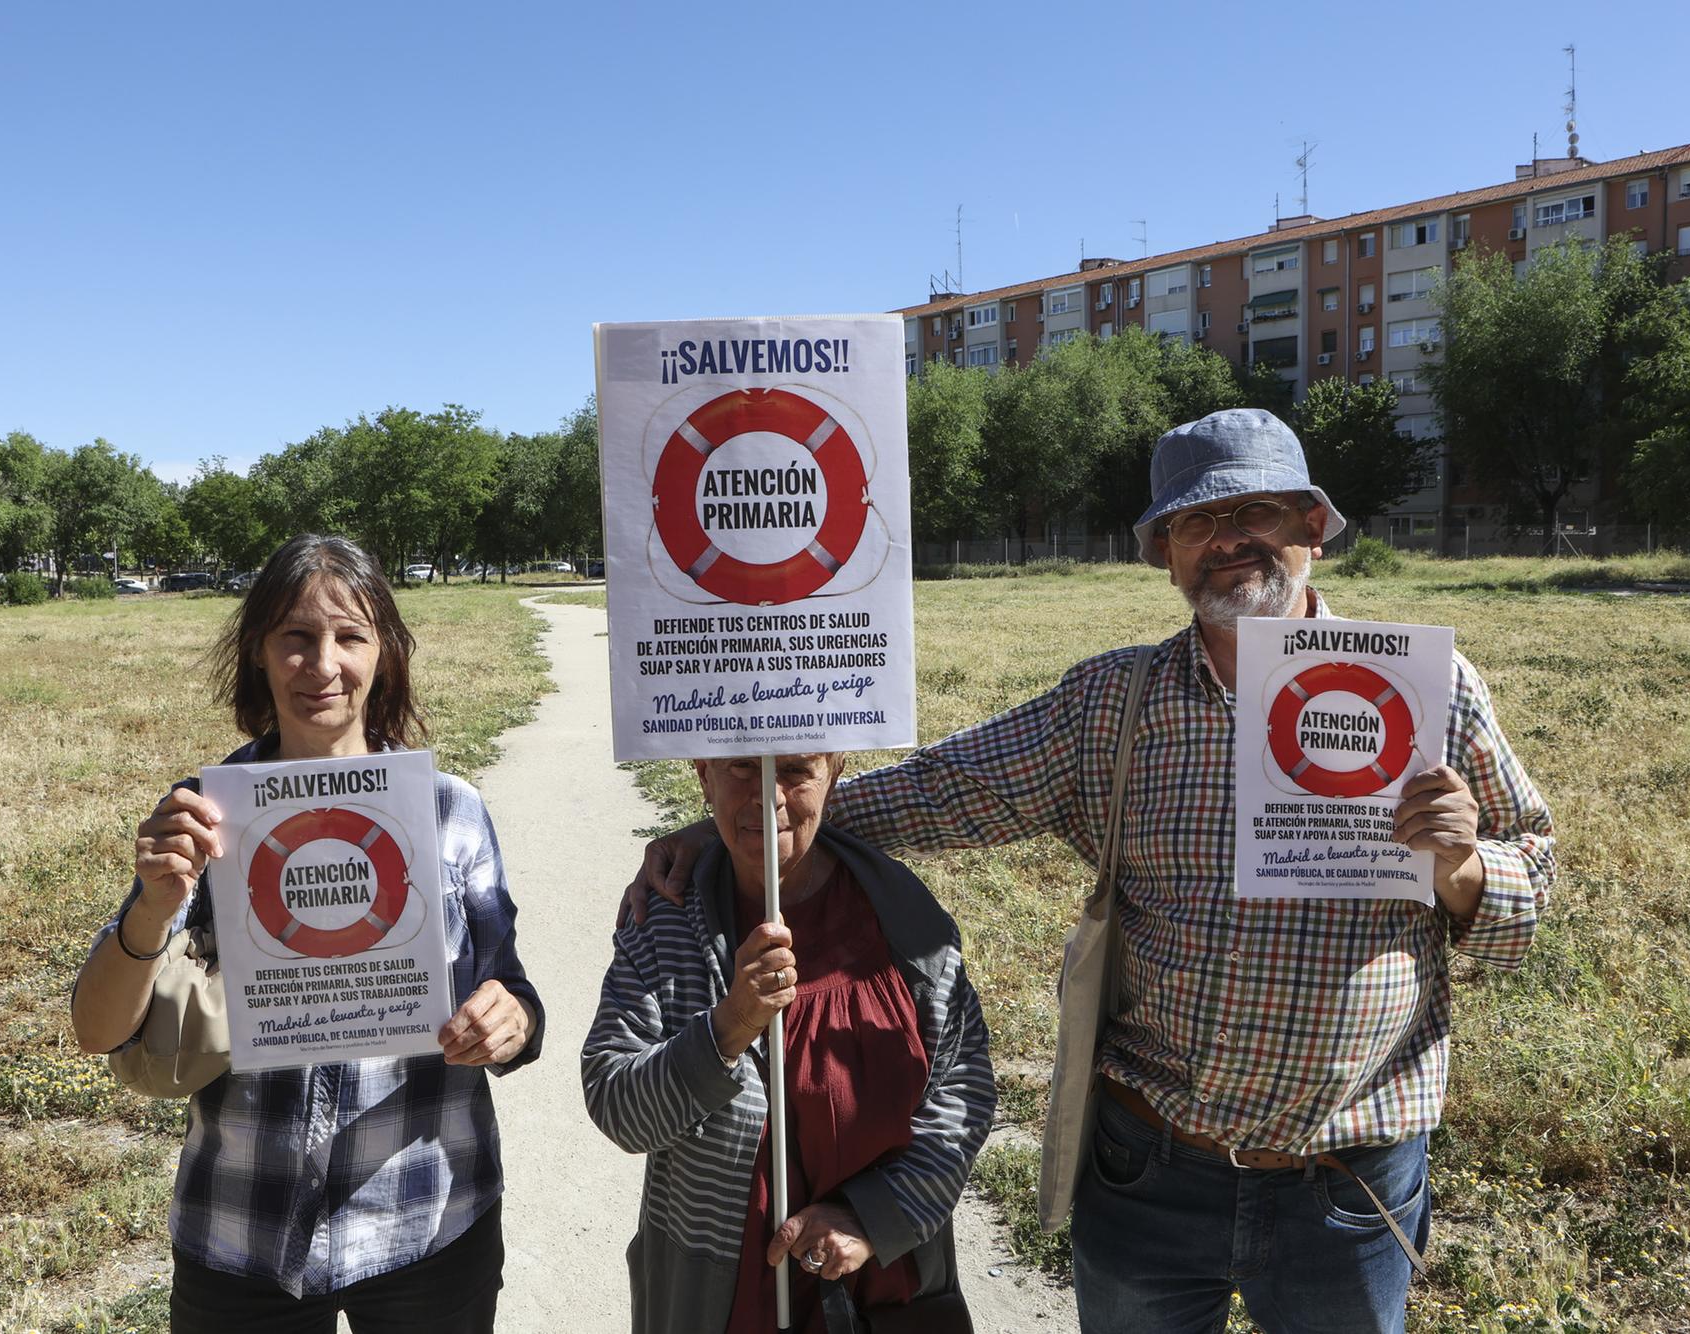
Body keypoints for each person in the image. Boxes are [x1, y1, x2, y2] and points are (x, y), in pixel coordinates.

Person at [630, 409, 1556, 1334]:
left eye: (1256, 514)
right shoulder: (1114, 704)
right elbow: (943, 790)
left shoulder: (1425, 690)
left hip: (1347, 1184)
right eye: (1196, 522)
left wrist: (1463, 865)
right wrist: (742, 827)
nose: (1228, 541)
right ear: (1164, 553)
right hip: (1149, 1172)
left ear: (1313, 527)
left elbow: (1535, 882)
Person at [72, 533, 542, 1333]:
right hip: (244, 1230)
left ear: (384, 655)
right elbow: (97, 1030)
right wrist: (153, 904)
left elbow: (517, 998)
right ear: (259, 651)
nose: (322, 664)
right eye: (296, 637)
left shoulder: (449, 811)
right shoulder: (205, 814)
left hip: (426, 1221)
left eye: (350, 637)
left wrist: (509, 1021)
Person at [585, 752, 995, 1333]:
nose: (769, 795)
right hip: (719, 1307)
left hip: (887, 1296)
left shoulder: (902, 918)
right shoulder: (665, 921)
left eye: (796, 769)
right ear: (703, 774)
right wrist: (729, 1025)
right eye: (741, 768)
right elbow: (616, 1105)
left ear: (836, 769)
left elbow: (963, 1090)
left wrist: (875, 1218)